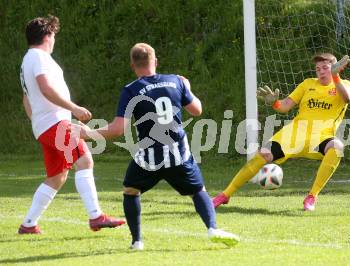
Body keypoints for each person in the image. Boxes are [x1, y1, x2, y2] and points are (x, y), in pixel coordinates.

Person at [77, 43, 239, 250]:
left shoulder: (131, 90)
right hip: (177, 154)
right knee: (198, 191)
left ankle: (137, 241)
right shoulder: (175, 81)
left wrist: (88, 133)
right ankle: (212, 228)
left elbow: (118, 129)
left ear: (132, 65)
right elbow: (197, 110)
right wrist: (187, 88)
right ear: (155, 62)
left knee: (131, 191)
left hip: (149, 158)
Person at [18, 15, 125, 234]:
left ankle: (28, 224)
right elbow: (45, 88)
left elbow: (26, 97)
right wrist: (73, 108)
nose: (54, 39)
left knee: (57, 176)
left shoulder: (28, 59)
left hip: (46, 124)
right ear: (48, 35)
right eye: (54, 35)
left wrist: (36, 120)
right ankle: (96, 217)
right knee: (84, 160)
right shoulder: (38, 57)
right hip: (54, 123)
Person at [213, 53, 350, 211]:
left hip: (321, 138)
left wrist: (335, 77)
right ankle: (225, 195)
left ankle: (312, 196)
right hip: (294, 134)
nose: (320, 71)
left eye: (325, 68)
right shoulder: (308, 84)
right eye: (317, 69)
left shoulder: (344, 84)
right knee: (263, 154)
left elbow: (347, 98)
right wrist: (274, 103)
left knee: (337, 147)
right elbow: (285, 106)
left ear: (335, 69)